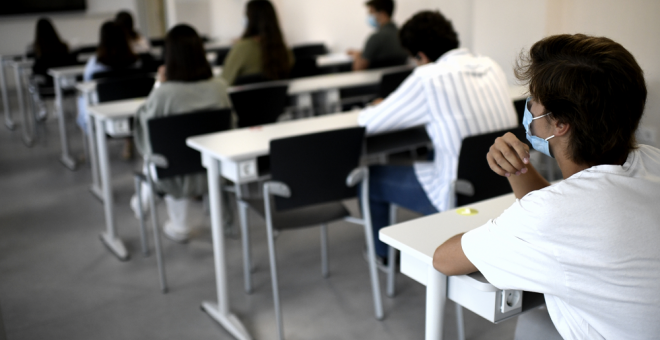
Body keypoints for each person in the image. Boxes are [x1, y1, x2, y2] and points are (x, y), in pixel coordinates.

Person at [433, 34, 660, 339]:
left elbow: (444, 259)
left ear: (559, 123)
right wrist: (517, 169)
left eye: (533, 100)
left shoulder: (549, 215)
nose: (529, 109)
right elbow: (569, 213)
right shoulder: (652, 160)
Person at [358, 10, 518, 264]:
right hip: (503, 186)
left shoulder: (427, 76)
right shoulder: (491, 65)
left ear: (420, 55)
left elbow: (369, 123)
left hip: (457, 195)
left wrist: (377, 105)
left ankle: (382, 256)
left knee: (371, 178)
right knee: (438, 148)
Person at [132, 24, 232, 243]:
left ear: (169, 56)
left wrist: (159, 83)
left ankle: (174, 222)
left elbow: (145, 126)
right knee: (169, 151)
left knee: (161, 153)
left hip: (174, 171)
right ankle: (142, 203)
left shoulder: (164, 94)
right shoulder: (219, 87)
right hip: (213, 167)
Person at [76, 21, 140, 133]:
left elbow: (87, 87)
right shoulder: (137, 62)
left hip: (102, 119)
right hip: (134, 116)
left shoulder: (94, 65)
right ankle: (128, 143)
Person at [222, 0, 293, 85]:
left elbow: (224, 81)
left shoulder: (242, 48)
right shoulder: (283, 50)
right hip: (279, 98)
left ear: (250, 19)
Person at [30, 18, 76, 120]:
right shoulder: (63, 46)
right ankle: (57, 105)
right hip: (64, 85)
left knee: (33, 80)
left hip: (44, 86)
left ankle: (43, 109)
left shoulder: (36, 49)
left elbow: (35, 70)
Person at [347, 0, 408, 71]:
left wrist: (357, 56)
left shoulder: (375, 38)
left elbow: (358, 69)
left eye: (371, 13)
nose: (369, 16)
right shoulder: (402, 35)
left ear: (382, 14)